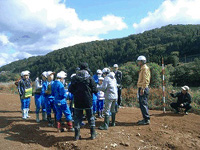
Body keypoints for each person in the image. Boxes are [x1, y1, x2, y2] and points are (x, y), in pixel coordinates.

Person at [69, 62, 98, 140]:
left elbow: (70, 89)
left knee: (77, 118)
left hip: (77, 101)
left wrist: (76, 92)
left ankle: (77, 136)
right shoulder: (89, 77)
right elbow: (95, 90)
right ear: (86, 68)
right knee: (90, 117)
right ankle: (93, 135)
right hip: (88, 100)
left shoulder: (74, 78)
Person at [137, 55, 151, 125]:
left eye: (139, 61)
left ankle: (146, 119)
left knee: (143, 103)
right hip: (142, 88)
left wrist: (142, 88)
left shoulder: (145, 68)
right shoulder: (143, 68)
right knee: (142, 103)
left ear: (142, 61)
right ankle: (145, 118)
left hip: (143, 88)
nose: (138, 62)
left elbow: (146, 80)